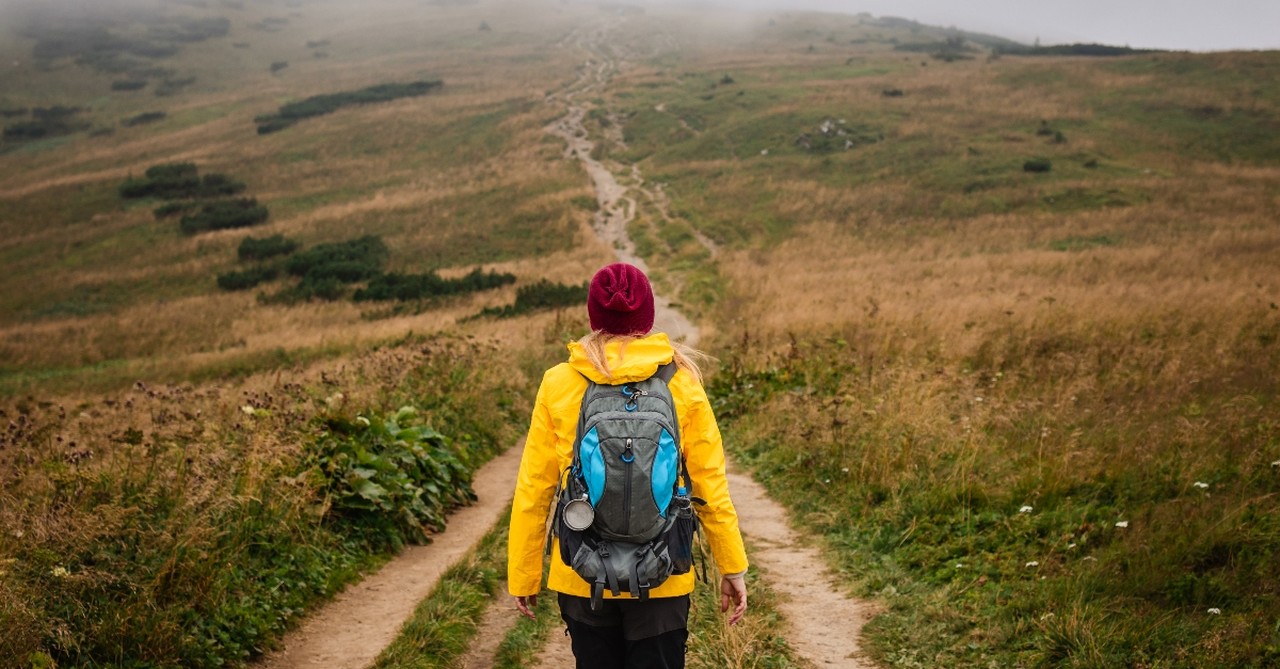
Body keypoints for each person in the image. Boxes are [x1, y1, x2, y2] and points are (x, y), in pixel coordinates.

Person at [508, 262, 749, 669]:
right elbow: (709, 484)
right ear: (648, 315)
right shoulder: (682, 381)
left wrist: (523, 573)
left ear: (593, 316)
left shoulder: (560, 381)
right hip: (664, 568)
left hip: (582, 571)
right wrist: (732, 566)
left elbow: (535, 485)